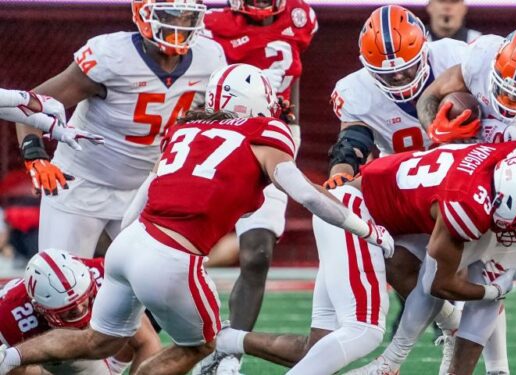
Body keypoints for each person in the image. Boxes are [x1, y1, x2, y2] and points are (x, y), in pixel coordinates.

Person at [0, 63, 393, 375]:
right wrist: (365, 228)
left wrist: (127, 250)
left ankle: (10, 358)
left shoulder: (185, 129)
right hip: (173, 256)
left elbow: (140, 200)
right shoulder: (265, 132)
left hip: (131, 242)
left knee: (98, 341)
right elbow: (306, 193)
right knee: (202, 345)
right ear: (254, 102)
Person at [351, 25, 516, 375]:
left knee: (484, 272)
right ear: (495, 66)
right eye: (505, 91)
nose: (510, 104)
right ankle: (454, 360)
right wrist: (436, 131)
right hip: (462, 185)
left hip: (514, 193)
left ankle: (481, 366)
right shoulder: (481, 58)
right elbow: (431, 99)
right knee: (451, 274)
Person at [212, 142, 516, 375]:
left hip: (375, 213)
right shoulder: (466, 206)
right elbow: (437, 285)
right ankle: (448, 329)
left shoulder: (506, 159)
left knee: (320, 350)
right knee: (363, 332)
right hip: (352, 214)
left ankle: (222, 341)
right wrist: (490, 294)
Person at [14, 0, 226, 257]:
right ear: (143, 14)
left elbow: (220, 118)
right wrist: (35, 155)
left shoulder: (210, 58)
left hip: (146, 190)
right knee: (60, 282)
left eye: (186, 18)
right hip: (82, 183)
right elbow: (30, 105)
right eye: (171, 16)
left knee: (152, 288)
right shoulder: (111, 56)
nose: (178, 26)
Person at [324, 4, 469, 372]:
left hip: (461, 179)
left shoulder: (452, 56)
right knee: (397, 265)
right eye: (387, 75)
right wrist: (342, 172)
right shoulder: (356, 90)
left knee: (467, 274)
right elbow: (352, 142)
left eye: (406, 68)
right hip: (408, 185)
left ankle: (494, 365)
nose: (399, 78)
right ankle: (451, 325)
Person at [199, 2, 317, 371]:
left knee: (258, 253)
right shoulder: (211, 24)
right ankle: (141, 336)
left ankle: (228, 355)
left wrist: (289, 125)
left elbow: (292, 76)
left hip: (271, 137)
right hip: (219, 138)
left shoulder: (300, 17)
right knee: (176, 250)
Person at [0, 249, 160, 374]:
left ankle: (114, 368)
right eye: (69, 310)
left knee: (132, 331)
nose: (79, 309)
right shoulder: (10, 317)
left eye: (84, 299)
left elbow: (146, 342)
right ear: (39, 308)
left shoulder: (103, 275)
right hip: (44, 340)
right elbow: (15, 369)